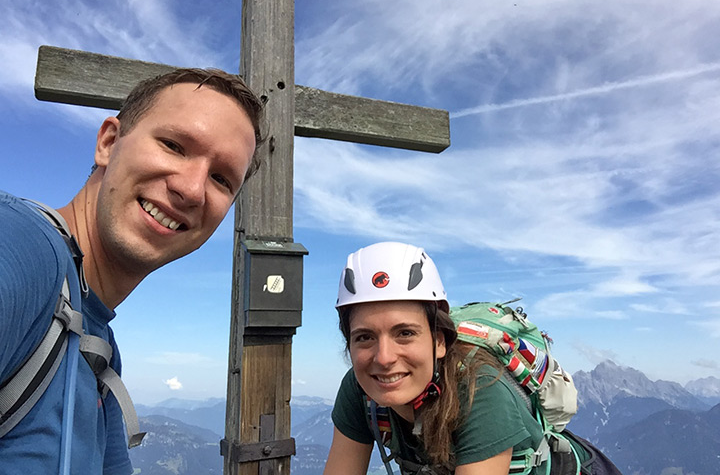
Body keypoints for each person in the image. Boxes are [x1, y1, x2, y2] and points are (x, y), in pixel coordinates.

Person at [0, 68, 264, 474]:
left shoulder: (97, 343)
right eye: (174, 145)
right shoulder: (20, 247)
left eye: (221, 178)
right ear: (108, 142)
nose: (192, 189)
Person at [324, 242, 622, 475]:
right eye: (364, 337)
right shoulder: (360, 389)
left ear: (439, 341)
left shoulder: (480, 390)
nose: (384, 357)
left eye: (405, 333)